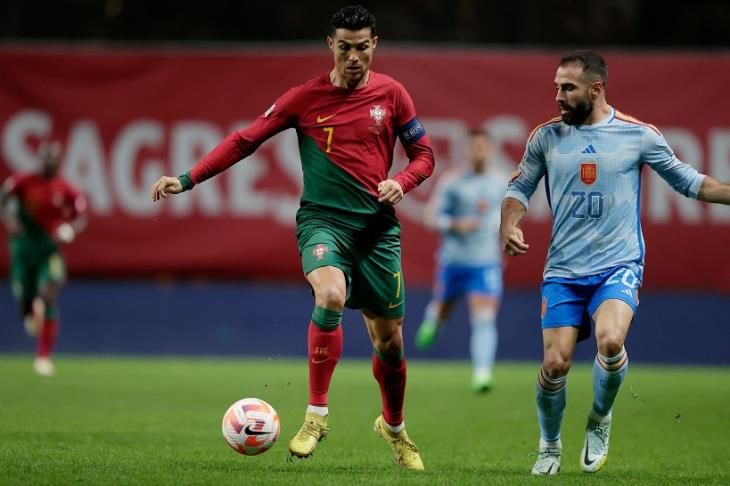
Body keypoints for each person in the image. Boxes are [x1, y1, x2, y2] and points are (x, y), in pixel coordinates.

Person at [150, 5, 434, 470]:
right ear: (331, 45)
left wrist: (401, 182)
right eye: (345, 48)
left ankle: (395, 427)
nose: (354, 57)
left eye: (363, 48)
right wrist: (187, 178)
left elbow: (424, 155)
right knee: (330, 293)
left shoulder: (394, 94)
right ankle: (316, 415)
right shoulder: (304, 98)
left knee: (390, 343)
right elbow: (245, 140)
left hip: (377, 230)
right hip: (323, 223)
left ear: (375, 45)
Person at [501, 50, 730, 476]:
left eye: (568, 88)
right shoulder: (545, 137)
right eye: (556, 87)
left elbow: (691, 182)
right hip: (563, 271)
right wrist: (508, 225)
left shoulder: (638, 136)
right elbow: (518, 189)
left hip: (617, 265)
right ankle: (549, 444)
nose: (558, 96)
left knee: (610, 341)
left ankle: (600, 418)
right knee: (555, 364)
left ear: (596, 89)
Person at [414, 130, 506, 392]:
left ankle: (482, 373)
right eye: (474, 147)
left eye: (484, 147)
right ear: (467, 150)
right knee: (443, 308)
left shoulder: (501, 183)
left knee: (484, 317)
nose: (479, 152)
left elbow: (510, 215)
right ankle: (433, 321)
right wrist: (455, 224)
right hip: (453, 260)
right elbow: (431, 217)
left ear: (491, 150)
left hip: (485, 262)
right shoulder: (452, 182)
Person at [0, 141, 87, 377]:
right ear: (40, 160)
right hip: (23, 250)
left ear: (59, 162)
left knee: (48, 295)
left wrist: (69, 228)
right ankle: (30, 309)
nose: (49, 163)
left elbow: (81, 214)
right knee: (24, 303)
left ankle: (43, 357)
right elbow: (4, 197)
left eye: (53, 159)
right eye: (45, 158)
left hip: (49, 250)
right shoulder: (23, 182)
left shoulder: (65, 189)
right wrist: (10, 220)